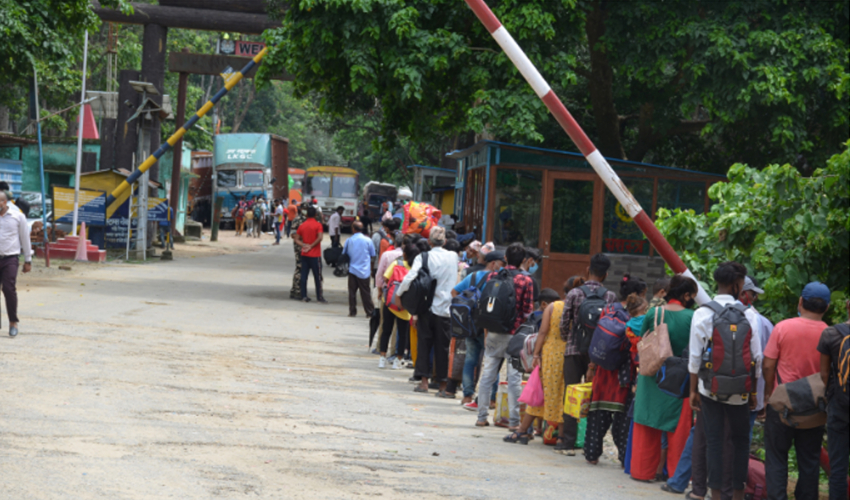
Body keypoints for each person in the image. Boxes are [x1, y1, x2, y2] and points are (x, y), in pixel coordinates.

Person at [689, 262, 762, 500]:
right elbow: (757, 359)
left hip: (710, 389)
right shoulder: (749, 314)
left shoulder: (702, 312)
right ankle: (738, 495)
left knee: (714, 441)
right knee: (741, 441)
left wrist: (693, 391)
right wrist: (752, 394)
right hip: (740, 391)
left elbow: (694, 358)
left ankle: (717, 494)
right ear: (737, 285)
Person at [763, 281, 830, 500]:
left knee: (776, 458)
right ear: (827, 307)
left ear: (800, 302)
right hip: (815, 408)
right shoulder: (830, 334)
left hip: (782, 404)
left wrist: (768, 393)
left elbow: (768, 365)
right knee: (809, 461)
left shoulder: (783, 327)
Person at [631, 274, 698, 481]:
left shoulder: (654, 312)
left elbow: (643, 339)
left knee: (647, 423)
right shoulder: (692, 317)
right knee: (678, 431)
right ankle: (677, 476)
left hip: (652, 374)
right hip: (679, 380)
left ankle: (642, 472)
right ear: (686, 295)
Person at [557, 253, 618, 455]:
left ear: (587, 270)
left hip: (574, 350)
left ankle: (568, 442)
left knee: (571, 393)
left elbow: (564, 323)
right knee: (594, 396)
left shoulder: (574, 293)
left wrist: (570, 339)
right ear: (606, 274)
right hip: (598, 354)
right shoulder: (610, 296)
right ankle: (591, 444)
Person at [583, 276, 647, 465]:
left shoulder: (608, 309)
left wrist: (592, 367)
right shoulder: (638, 318)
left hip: (603, 370)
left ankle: (591, 454)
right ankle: (624, 457)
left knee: (597, 415)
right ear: (639, 295)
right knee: (622, 419)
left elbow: (599, 340)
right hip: (623, 374)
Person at [474, 242, 534, 427]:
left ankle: (481, 417)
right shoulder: (526, 281)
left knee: (488, 374)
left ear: (505, 258)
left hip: (493, 332)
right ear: (523, 260)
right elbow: (527, 312)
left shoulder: (493, 275)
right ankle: (514, 421)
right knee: (514, 378)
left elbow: (485, 304)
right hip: (514, 336)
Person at [397, 226, 458, 395]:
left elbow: (410, 277)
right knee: (443, 347)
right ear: (445, 242)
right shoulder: (453, 256)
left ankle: (424, 382)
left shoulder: (423, 257)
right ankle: (443, 385)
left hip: (427, 308)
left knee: (424, 344)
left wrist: (399, 294)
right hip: (446, 309)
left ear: (429, 242)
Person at [501, 287, 566, 444]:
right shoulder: (579, 308)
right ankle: (562, 437)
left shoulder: (554, 307)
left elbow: (542, 333)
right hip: (569, 356)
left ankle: (523, 431)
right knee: (561, 396)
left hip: (550, 355)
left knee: (541, 391)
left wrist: (535, 354)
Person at [451, 246, 502, 408]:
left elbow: (454, 292)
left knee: (470, 360)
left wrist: (469, 306)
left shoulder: (473, 276)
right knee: (492, 362)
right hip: (489, 326)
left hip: (470, 325)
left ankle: (467, 396)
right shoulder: (498, 280)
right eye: (502, 263)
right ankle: (492, 399)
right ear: (493, 264)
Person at [818, 299, 849, 500]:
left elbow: (823, 375)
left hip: (840, 407)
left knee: (838, 468)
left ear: (847, 306)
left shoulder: (831, 334)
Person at [739, 275, 774, 436]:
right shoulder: (764, 323)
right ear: (746, 294)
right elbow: (765, 363)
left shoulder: (710, 313)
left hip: (719, 389)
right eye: (753, 294)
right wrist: (763, 397)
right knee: (744, 438)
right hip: (750, 394)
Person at [378, 240, 418, 370]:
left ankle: (382, 358)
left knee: (386, 330)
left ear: (405, 254)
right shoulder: (417, 268)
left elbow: (385, 278)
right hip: (405, 307)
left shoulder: (397, 263)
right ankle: (398, 360)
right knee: (402, 333)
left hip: (390, 302)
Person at [0, 192, 32, 337]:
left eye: (0, 201)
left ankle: (13, 322)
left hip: (10, 258)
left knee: (8, 289)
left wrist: (28, 260)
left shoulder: (18, 217)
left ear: (5, 202)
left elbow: (25, 239)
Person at [292, 206, 326, 303]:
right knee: (318, 277)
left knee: (304, 275)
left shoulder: (302, 225)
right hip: (315, 255)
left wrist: (303, 245)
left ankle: (304, 296)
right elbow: (320, 238)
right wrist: (311, 246)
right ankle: (319, 297)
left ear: (306, 215)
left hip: (304, 254)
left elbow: (296, 238)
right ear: (316, 214)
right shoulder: (318, 225)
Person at [342, 221, 376, 317]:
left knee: (352, 292)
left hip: (352, 269)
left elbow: (344, 253)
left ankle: (352, 311)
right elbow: (373, 254)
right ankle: (369, 312)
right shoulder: (368, 240)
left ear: (353, 229)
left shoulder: (349, 240)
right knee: (365, 292)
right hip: (364, 270)